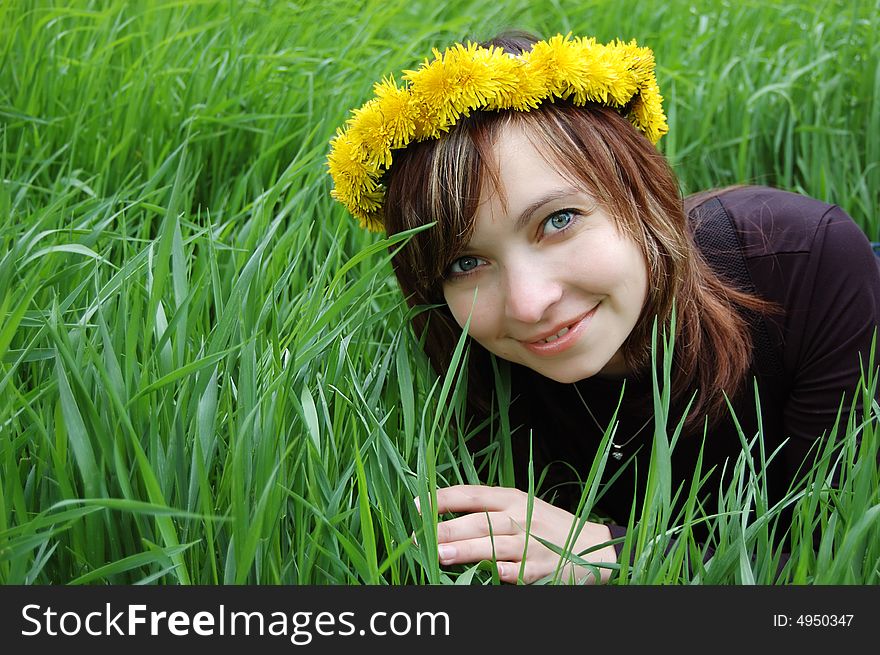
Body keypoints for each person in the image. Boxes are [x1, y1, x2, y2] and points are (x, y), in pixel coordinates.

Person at [326, 31, 880, 583]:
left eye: (558, 221)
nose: (528, 303)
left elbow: (845, 570)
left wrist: (609, 553)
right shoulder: (456, 355)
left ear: (641, 192)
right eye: (466, 263)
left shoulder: (805, 265)